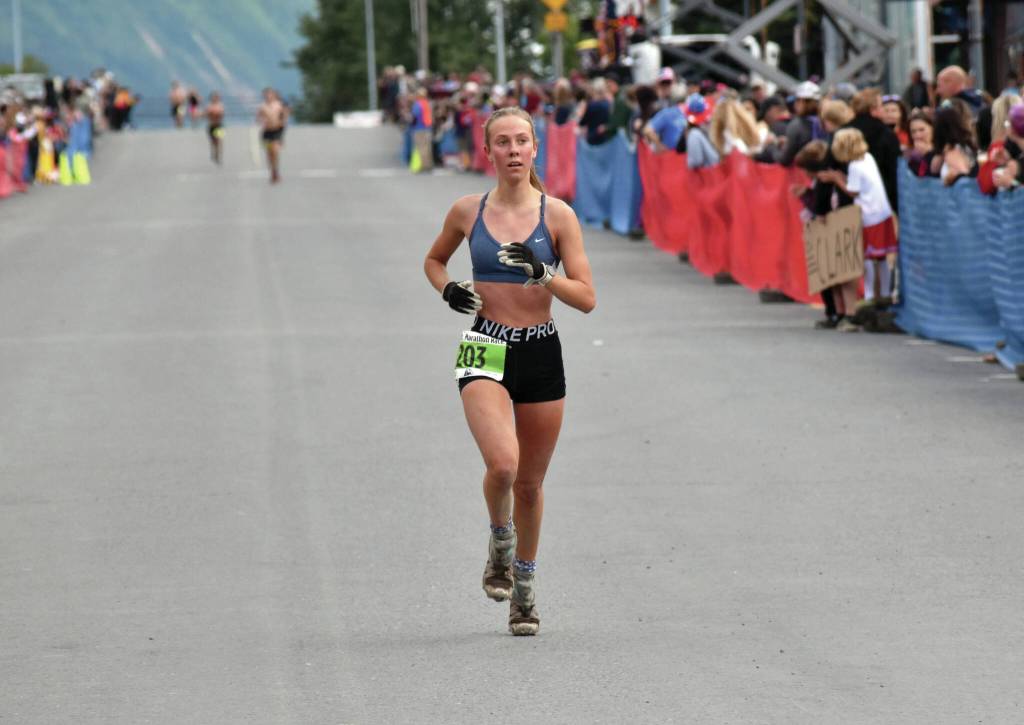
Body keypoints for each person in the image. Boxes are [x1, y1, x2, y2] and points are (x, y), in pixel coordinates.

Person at [422, 106, 596, 636]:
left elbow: (587, 298)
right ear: (488, 150)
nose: (514, 150)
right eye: (503, 142)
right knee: (502, 464)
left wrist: (544, 274)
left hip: (541, 350)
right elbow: (433, 261)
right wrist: (448, 287)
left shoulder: (558, 216)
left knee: (529, 483)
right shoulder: (465, 211)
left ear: (536, 148)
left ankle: (524, 587)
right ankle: (501, 539)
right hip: (484, 344)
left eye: (522, 141)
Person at [820, 128, 897, 316]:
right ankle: (885, 292)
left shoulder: (854, 165)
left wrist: (837, 179)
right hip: (883, 211)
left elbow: (853, 191)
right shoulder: (868, 158)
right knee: (881, 256)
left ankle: (870, 295)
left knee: (869, 256)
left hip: (869, 215)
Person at [256, 87, 288, 183]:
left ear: (273, 95)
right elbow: (258, 117)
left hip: (277, 131)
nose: (268, 96)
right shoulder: (262, 107)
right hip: (267, 132)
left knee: (275, 151)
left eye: (270, 94)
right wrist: (262, 121)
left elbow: (285, 114)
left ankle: (275, 170)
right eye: (266, 95)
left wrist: (283, 122)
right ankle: (273, 171)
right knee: (269, 153)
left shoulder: (279, 105)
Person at [206, 91, 225, 164]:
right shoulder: (209, 106)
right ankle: (214, 152)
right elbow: (207, 114)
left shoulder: (220, 106)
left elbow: (221, 114)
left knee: (219, 141)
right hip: (211, 126)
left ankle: (218, 155)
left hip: (219, 126)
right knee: (213, 141)